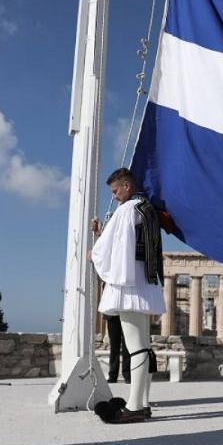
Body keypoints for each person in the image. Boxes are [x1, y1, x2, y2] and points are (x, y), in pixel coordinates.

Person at [90, 168, 166, 423]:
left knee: (136, 349)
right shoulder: (147, 208)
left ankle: (134, 406)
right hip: (146, 283)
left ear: (126, 186)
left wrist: (94, 252)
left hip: (129, 285)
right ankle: (142, 402)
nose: (114, 197)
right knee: (144, 346)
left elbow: (112, 246)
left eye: (115, 191)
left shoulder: (127, 210)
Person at [104, 313, 131, 383]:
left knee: (127, 347)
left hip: (127, 314)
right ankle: (112, 376)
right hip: (112, 314)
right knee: (114, 348)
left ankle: (127, 375)